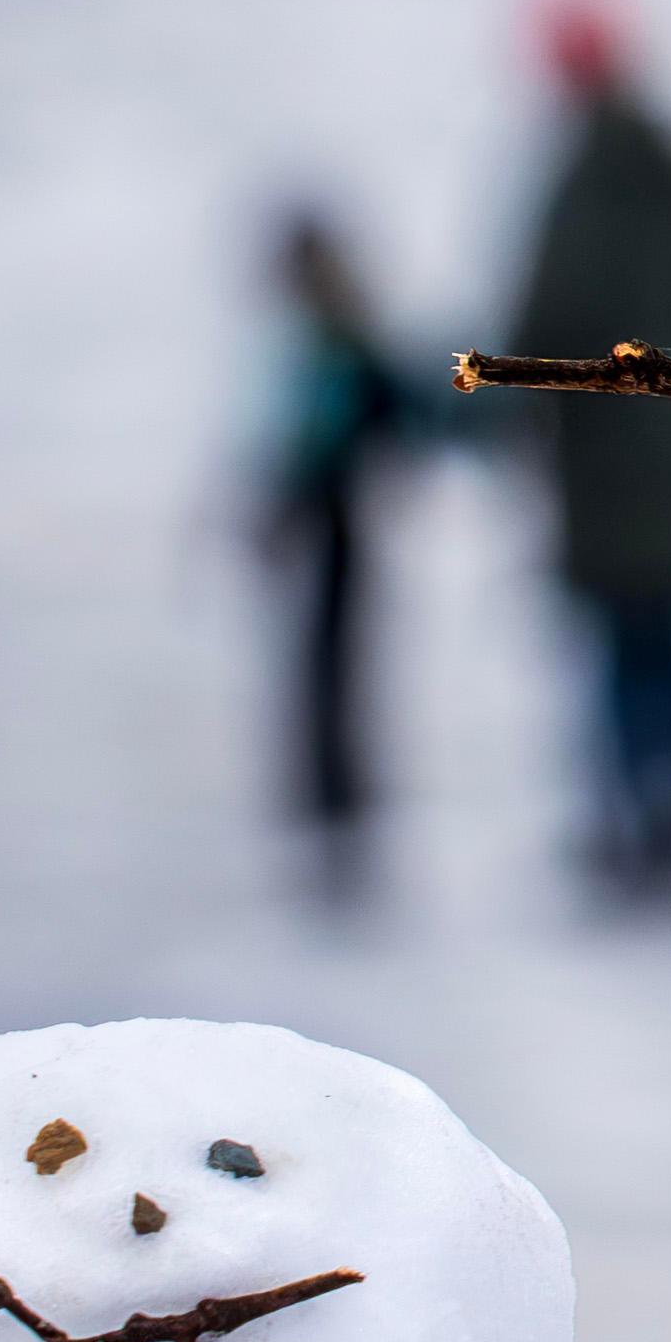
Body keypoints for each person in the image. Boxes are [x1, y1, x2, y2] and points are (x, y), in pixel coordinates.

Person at [495, 0, 671, 900]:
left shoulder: (581, 191)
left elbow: (539, 330)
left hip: (600, 477)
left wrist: (504, 416)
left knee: (627, 661)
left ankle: (648, 832)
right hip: (664, 465)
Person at [255, 208, 432, 905]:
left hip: (338, 523)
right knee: (333, 668)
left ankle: (338, 810)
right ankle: (337, 808)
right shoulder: (345, 331)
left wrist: (284, 507)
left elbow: (321, 440)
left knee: (329, 670)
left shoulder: (336, 340)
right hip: (345, 523)